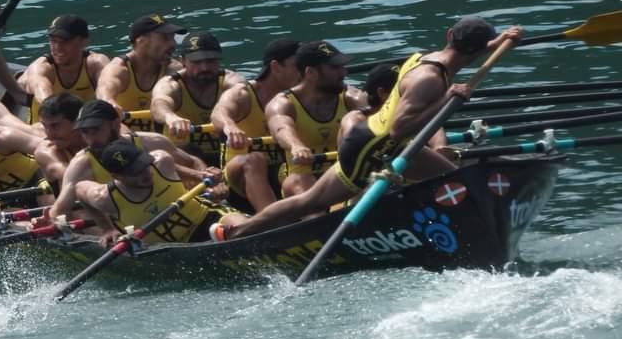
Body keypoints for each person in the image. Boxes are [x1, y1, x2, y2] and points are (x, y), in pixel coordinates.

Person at [211, 17, 523, 240]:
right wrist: (446, 102)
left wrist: (498, 43)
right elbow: (400, 128)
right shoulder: (429, 81)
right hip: (372, 148)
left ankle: (454, 233)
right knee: (311, 202)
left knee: (455, 178)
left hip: (380, 143)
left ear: (449, 35)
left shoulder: (429, 58)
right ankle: (238, 234)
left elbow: (463, 55)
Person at [47, 99, 220, 220]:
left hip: (180, 208)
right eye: (85, 132)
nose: (91, 139)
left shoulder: (152, 142)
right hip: (133, 223)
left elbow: (193, 163)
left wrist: (213, 184)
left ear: (115, 124)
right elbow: (59, 211)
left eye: (96, 130)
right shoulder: (82, 164)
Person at [74, 140, 247, 246]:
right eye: (135, 172)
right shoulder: (105, 197)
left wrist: (205, 178)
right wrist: (106, 229)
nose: (145, 174)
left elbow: (193, 170)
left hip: (207, 218)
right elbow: (79, 189)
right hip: (169, 247)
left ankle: (243, 234)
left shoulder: (161, 161)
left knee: (245, 228)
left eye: (144, 165)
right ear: (116, 176)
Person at [265, 41, 367, 197]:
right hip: (301, 175)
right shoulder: (283, 103)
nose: (344, 73)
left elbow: (375, 115)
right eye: (335, 68)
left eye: (342, 67)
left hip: (342, 174)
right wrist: (296, 146)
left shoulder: (351, 97)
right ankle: (318, 216)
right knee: (299, 180)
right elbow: (281, 127)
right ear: (310, 72)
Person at [210, 38, 301, 211]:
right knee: (254, 159)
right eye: (297, 66)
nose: (304, 72)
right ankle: (275, 222)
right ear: (275, 67)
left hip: (282, 171)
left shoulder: (297, 97)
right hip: (238, 180)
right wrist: (231, 127)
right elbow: (219, 112)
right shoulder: (243, 93)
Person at [150, 31, 244, 167]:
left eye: (210, 61)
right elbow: (159, 104)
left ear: (219, 60)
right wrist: (171, 117)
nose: (204, 67)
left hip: (227, 154)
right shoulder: (170, 84)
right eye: (196, 62)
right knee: (189, 151)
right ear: (182, 61)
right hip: (186, 157)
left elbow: (243, 93)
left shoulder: (232, 81)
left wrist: (228, 123)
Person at [96, 13, 185, 132]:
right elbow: (104, 90)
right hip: (123, 140)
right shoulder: (119, 69)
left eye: (173, 38)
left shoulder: (174, 70)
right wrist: (109, 102)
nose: (173, 44)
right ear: (141, 40)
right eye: (165, 38)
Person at [19, 14, 110, 123]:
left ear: (84, 42)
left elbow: (106, 92)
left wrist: (108, 103)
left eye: (64, 41)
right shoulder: (41, 67)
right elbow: (46, 100)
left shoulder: (96, 63)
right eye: (53, 41)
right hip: (44, 131)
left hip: (84, 129)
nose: (57, 48)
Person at [32, 93, 88, 189]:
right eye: (45, 126)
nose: (49, 134)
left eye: (55, 125)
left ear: (78, 122)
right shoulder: (46, 151)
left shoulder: (99, 134)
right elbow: (72, 179)